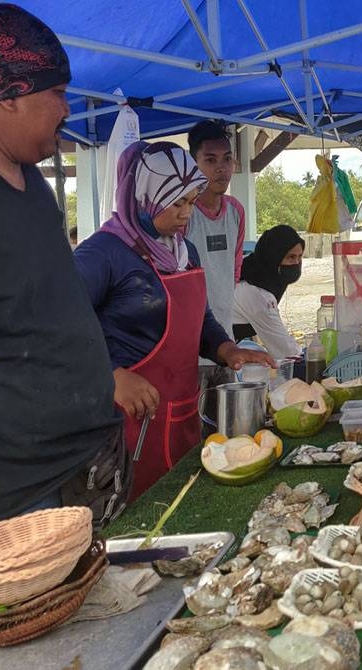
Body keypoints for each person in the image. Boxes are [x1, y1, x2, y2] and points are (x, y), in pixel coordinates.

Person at [0, 4, 129, 527]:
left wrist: (103, 377)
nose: (67, 109)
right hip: (23, 490)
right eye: (58, 92)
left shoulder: (33, 185)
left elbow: (50, 309)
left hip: (90, 458)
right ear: (8, 94)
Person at [74, 141, 273, 499]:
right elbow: (60, 324)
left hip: (180, 411)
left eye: (191, 202)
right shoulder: (103, 253)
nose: (186, 214)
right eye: (177, 202)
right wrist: (111, 375)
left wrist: (227, 349)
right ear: (144, 196)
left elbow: (199, 318)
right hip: (128, 421)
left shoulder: (184, 251)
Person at [186, 120, 245, 421]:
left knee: (228, 431)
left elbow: (234, 270)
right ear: (194, 165)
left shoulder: (236, 211)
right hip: (190, 354)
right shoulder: (183, 214)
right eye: (210, 160)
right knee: (194, 436)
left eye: (227, 159)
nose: (221, 169)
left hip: (226, 344)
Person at [232, 224, 306, 360]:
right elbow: (286, 352)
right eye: (291, 257)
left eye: (299, 257)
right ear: (274, 257)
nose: (296, 263)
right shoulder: (257, 293)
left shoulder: (251, 270)